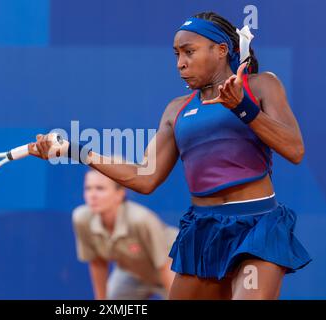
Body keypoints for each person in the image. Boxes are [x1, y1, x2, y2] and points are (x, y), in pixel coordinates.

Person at [30, 11, 311, 299]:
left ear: (221, 50)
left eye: (189, 52)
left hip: (256, 226)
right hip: (203, 230)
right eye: (177, 54)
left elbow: (294, 149)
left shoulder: (261, 85)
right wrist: (72, 150)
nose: (180, 63)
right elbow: (145, 177)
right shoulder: (176, 109)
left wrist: (243, 108)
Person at [72, 168, 178, 300]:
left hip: (172, 271)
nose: (92, 195)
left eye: (100, 189)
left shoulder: (140, 220)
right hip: (133, 273)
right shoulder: (81, 218)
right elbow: (97, 262)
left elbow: (165, 266)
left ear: (120, 193)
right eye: (88, 188)